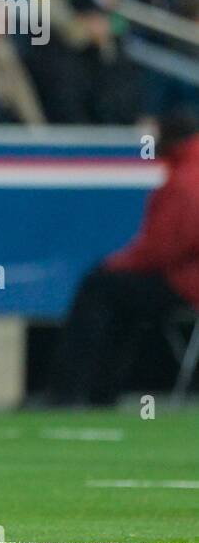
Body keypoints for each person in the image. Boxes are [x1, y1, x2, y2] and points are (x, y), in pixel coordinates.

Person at [50, 110, 199, 405]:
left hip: (186, 282)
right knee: (123, 300)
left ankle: (69, 390)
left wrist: (116, 264)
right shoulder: (188, 171)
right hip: (186, 278)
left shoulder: (185, 180)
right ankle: (102, 391)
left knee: (99, 287)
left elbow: (162, 249)